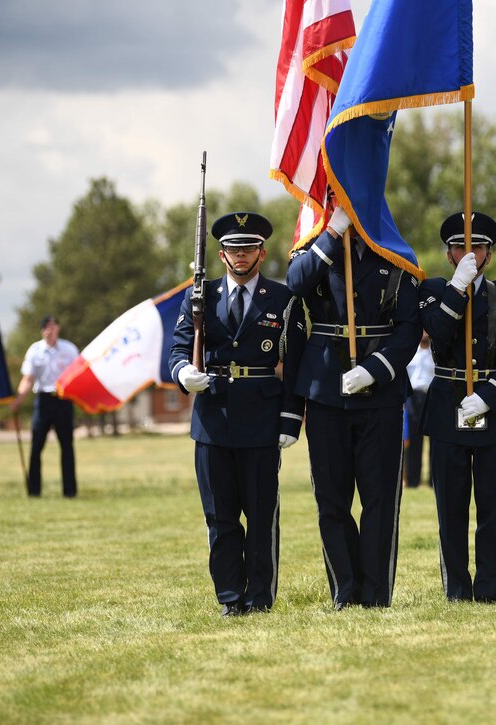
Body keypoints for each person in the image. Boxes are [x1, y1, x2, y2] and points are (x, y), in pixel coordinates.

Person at [286, 203, 422, 609]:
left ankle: (376, 592)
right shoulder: (315, 246)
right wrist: (331, 235)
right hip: (326, 387)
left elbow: (409, 327)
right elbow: (296, 283)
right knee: (332, 498)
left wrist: (376, 369)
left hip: (380, 391)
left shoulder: (394, 252)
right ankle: (345, 589)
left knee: (380, 498)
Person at [171, 211, 306, 617]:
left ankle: (260, 597)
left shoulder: (283, 300)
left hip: (262, 419)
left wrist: (289, 419)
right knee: (221, 518)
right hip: (212, 421)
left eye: (248, 248)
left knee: (261, 516)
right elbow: (178, 349)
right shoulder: (200, 298)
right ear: (221, 254)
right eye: (233, 248)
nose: (241, 255)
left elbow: (294, 364)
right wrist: (184, 374)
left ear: (262, 253)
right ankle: (230, 597)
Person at [418, 212, 496, 603]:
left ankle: (490, 589)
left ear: (489, 253)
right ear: (449, 254)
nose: (470, 253)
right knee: (450, 508)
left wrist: (491, 395)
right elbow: (438, 330)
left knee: (492, 507)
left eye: (478, 247)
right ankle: (456, 589)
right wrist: (457, 288)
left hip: (492, 406)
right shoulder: (433, 289)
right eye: (460, 247)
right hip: (447, 405)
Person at [14, 315, 80, 497]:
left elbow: (78, 373)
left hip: (63, 400)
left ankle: (70, 491)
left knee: (67, 447)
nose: (50, 330)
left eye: (53, 326)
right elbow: (28, 379)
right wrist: (17, 400)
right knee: (36, 447)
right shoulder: (35, 351)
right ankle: (34, 491)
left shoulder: (69, 349)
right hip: (43, 401)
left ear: (58, 328)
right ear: (42, 330)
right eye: (46, 327)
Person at [403, 332, 434, 488]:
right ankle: (413, 480)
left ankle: (432, 480)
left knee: (434, 439)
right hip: (412, 397)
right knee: (413, 440)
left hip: (430, 396)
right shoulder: (412, 351)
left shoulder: (434, 353)